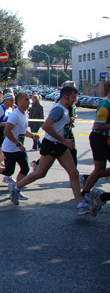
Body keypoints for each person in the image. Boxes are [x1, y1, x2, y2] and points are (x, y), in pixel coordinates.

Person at [7, 86, 89, 215]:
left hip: (61, 145)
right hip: (51, 145)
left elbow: (59, 125)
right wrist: (64, 140)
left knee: (73, 173)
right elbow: (46, 126)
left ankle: (80, 205)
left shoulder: (65, 108)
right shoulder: (58, 109)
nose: (75, 100)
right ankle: (16, 187)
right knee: (40, 173)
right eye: (73, 97)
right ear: (65, 96)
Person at [0, 93, 39, 195]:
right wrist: (16, 141)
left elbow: (22, 130)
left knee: (25, 168)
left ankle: (16, 189)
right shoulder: (3, 110)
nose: (29, 102)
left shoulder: (23, 113)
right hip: (3, 137)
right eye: (26, 100)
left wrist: (32, 136)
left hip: (16, 144)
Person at [81, 81, 110, 208]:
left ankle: (87, 178)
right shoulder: (105, 105)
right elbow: (97, 125)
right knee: (99, 169)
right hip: (99, 139)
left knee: (100, 170)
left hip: (106, 139)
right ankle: (85, 193)